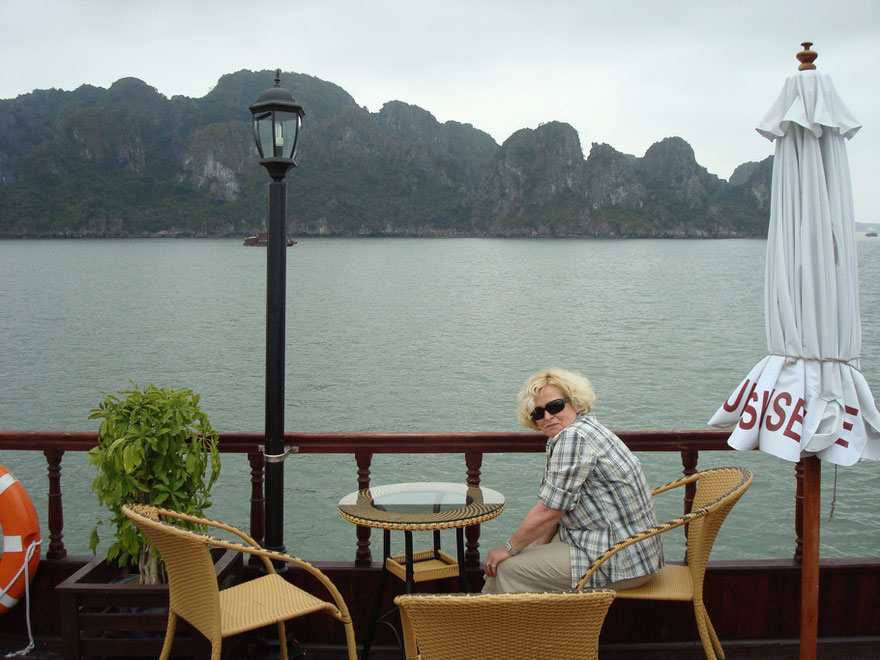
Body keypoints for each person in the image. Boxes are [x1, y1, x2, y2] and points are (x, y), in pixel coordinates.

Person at [481, 368, 663, 593]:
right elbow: (560, 507)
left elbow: (550, 510)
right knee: (518, 556)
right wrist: (532, 545)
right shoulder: (587, 429)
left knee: (508, 567)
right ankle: (484, 619)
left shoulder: (573, 438)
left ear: (575, 402)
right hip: (633, 552)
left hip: (619, 561)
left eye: (555, 406)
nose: (547, 416)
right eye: (538, 413)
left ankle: (506, 626)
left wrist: (509, 548)